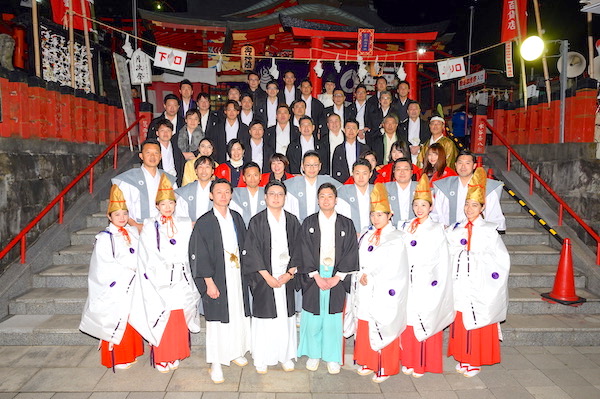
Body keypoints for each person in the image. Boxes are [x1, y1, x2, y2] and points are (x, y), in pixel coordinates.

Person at [446, 167, 510, 378]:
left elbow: (500, 260)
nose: (469, 208)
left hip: (479, 284)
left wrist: (472, 258)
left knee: (476, 319)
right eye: (467, 204)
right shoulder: (456, 228)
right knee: (462, 318)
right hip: (460, 284)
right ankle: (463, 356)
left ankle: (474, 359)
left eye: (474, 205)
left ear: (482, 207)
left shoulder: (489, 231)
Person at [135, 174, 201, 373]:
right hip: (160, 277)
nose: (168, 207)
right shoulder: (149, 225)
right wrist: (158, 271)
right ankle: (162, 356)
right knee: (162, 315)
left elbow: (191, 247)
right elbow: (146, 252)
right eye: (163, 204)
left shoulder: (183, 222)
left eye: (171, 203)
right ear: (157, 205)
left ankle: (177, 352)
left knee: (179, 315)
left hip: (181, 276)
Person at [189, 178, 251, 384]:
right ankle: (216, 363)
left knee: (237, 313)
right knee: (217, 320)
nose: (223, 195)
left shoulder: (237, 217)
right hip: (216, 277)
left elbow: (245, 247)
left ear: (231, 194)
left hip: (236, 274)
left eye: (227, 192)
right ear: (211, 195)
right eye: (219, 192)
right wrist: (208, 282)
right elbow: (199, 253)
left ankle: (235, 351)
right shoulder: (204, 222)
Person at [79, 184, 144, 371]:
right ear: (109, 216)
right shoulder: (104, 238)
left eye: (125, 214)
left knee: (132, 318)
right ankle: (118, 357)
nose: (122, 218)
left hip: (133, 283)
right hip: (118, 286)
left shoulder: (132, 232)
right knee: (117, 319)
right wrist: (129, 271)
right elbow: (103, 265)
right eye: (117, 215)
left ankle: (132, 351)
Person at [297, 183, 359, 374]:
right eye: (322, 196)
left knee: (333, 318)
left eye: (329, 196)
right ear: (317, 200)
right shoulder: (308, 222)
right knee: (313, 317)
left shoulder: (346, 223)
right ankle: (313, 353)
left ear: (336, 200)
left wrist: (338, 277)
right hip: (314, 274)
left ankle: (332, 356)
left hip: (337, 275)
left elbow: (351, 250)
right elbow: (303, 249)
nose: (326, 200)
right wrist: (315, 275)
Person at [350, 183, 409, 383]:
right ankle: (368, 360)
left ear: (390, 214)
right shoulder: (367, 235)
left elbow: (395, 266)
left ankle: (386, 365)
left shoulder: (397, 237)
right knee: (365, 322)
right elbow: (359, 260)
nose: (376, 219)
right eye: (373, 215)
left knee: (383, 324)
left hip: (384, 290)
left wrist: (371, 274)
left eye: (380, 215)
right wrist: (360, 274)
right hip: (366, 288)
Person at [242, 180, 301, 374]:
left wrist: (289, 273)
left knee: (286, 317)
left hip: (286, 277)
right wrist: (266, 276)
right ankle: (262, 357)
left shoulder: (292, 220)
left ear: (285, 197)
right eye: (272, 194)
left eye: (280, 194)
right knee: (265, 318)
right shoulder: (257, 221)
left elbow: (300, 250)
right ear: (265, 197)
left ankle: (285, 355)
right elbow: (252, 251)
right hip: (264, 278)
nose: (276, 197)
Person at [398, 174, 454, 378]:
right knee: (408, 320)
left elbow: (442, 260)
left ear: (431, 207)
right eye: (416, 205)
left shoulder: (437, 229)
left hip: (427, 282)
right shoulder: (405, 226)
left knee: (424, 319)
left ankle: (422, 362)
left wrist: (434, 282)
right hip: (408, 281)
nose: (419, 209)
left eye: (424, 205)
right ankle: (408, 359)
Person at [111, 139, 176, 232]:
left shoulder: (168, 179)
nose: (152, 156)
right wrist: (136, 226)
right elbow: (123, 206)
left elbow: (175, 205)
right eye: (148, 153)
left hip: (164, 228)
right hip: (136, 228)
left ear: (161, 156)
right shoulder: (129, 179)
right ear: (141, 156)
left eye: (156, 153)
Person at [431, 150, 506, 231]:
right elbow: (436, 213)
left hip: (478, 234)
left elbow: (494, 215)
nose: (463, 167)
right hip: (450, 234)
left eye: (467, 163)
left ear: (474, 166)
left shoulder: (486, 186)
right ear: (455, 165)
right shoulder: (445, 185)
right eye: (460, 163)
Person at [285, 151, 341, 223]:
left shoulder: (328, 181)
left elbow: (343, 191)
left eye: (315, 165)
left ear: (320, 166)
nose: (312, 168)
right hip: (299, 225)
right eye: (308, 165)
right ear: (302, 166)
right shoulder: (292, 183)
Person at [335, 159, 373, 233]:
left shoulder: (376, 191)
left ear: (370, 174)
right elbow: (338, 217)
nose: (361, 177)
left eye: (364, 173)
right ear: (352, 174)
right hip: (350, 235)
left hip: (373, 236)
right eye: (357, 173)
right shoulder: (343, 192)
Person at [175, 155, 215, 221]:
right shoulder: (186, 190)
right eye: (200, 167)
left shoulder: (218, 189)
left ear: (212, 171)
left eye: (207, 167)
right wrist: (189, 224)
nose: (204, 171)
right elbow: (180, 213)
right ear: (196, 171)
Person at [330, 119, 370, 184]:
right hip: (343, 184)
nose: (351, 131)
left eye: (354, 128)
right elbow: (335, 170)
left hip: (361, 182)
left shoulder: (365, 148)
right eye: (348, 128)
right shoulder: (338, 149)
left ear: (357, 131)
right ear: (344, 130)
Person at [230, 162, 266, 226]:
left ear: (260, 177)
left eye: (255, 175)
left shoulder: (267, 192)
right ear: (244, 178)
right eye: (249, 175)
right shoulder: (236, 194)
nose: (252, 179)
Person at [385, 158, 417, 225]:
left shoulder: (420, 187)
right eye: (398, 169)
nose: (402, 172)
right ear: (393, 172)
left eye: (406, 169)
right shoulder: (385, 188)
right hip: (392, 231)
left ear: (411, 172)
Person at [155, 118, 186, 187]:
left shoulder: (176, 147)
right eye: (162, 130)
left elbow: (181, 166)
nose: (165, 133)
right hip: (158, 182)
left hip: (174, 182)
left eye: (168, 130)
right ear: (157, 133)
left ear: (172, 133)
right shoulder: (153, 147)